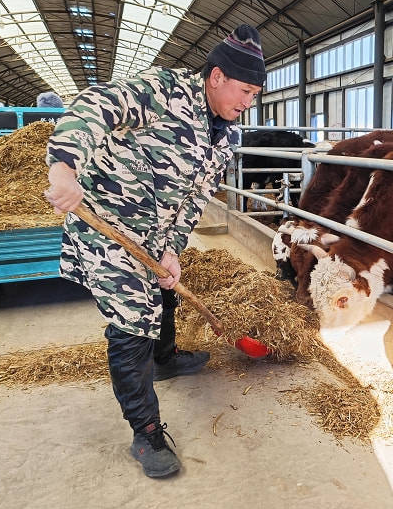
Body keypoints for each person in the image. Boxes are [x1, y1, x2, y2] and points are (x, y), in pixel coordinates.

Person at [44, 25, 265, 478]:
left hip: (155, 234)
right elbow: (94, 105)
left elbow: (194, 200)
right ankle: (145, 433)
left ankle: (164, 360)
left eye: (255, 94)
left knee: (165, 286)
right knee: (131, 320)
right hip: (107, 225)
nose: (247, 103)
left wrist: (172, 250)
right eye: (244, 90)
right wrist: (64, 167)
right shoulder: (162, 92)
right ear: (217, 76)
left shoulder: (224, 137)